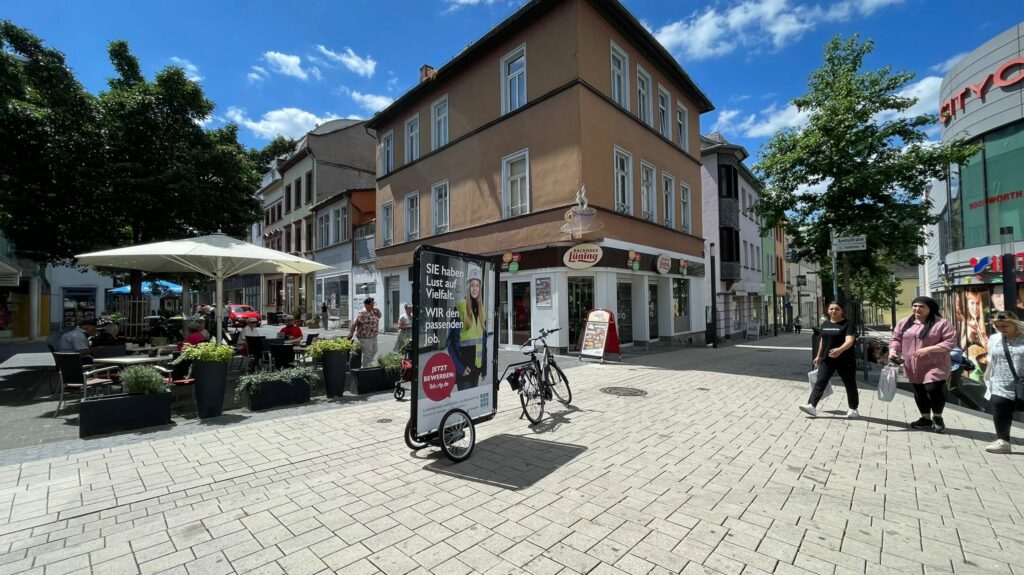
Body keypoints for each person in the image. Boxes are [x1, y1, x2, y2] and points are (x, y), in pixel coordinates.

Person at [888, 296, 957, 433]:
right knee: (919, 391)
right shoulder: (904, 322)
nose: (917, 309)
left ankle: (937, 416)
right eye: (915, 306)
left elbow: (950, 342)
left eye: (921, 306)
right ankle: (925, 418)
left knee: (933, 388)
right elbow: (896, 339)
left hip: (935, 363)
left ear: (930, 309)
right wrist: (893, 351)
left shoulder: (942, 323)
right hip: (912, 364)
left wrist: (929, 349)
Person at [800, 302, 859, 418]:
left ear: (842, 311)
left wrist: (840, 350)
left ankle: (853, 408)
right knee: (820, 381)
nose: (833, 311)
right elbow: (823, 340)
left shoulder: (848, 324)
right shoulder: (825, 324)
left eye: (837, 309)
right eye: (831, 309)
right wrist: (818, 356)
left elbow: (850, 341)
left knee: (849, 384)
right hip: (827, 359)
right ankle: (812, 405)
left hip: (845, 359)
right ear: (828, 311)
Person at [982, 310, 1024, 453]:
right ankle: (1003, 441)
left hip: (1022, 382)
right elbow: (991, 358)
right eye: (998, 326)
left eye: (1005, 325)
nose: (1001, 329)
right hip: (1000, 381)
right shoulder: (994, 339)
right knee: (999, 406)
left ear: (1015, 324)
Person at [447, 264, 488, 391]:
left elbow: (483, 341)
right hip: (464, 370)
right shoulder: (460, 308)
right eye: (472, 285)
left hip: (476, 368)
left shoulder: (482, 310)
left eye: (477, 285)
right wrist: (460, 367)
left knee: (472, 406)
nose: (475, 289)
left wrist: (484, 366)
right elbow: (450, 343)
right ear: (468, 287)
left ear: (480, 288)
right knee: (465, 406)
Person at [349, 297, 382, 366]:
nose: (373, 305)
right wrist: (351, 333)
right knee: (367, 352)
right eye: (372, 304)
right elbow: (355, 323)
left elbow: (379, 316)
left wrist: (378, 310)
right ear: (366, 305)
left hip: (373, 335)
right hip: (365, 336)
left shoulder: (373, 311)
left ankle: (367, 364)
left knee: (375, 350)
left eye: (374, 303)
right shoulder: (362, 312)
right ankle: (365, 368)